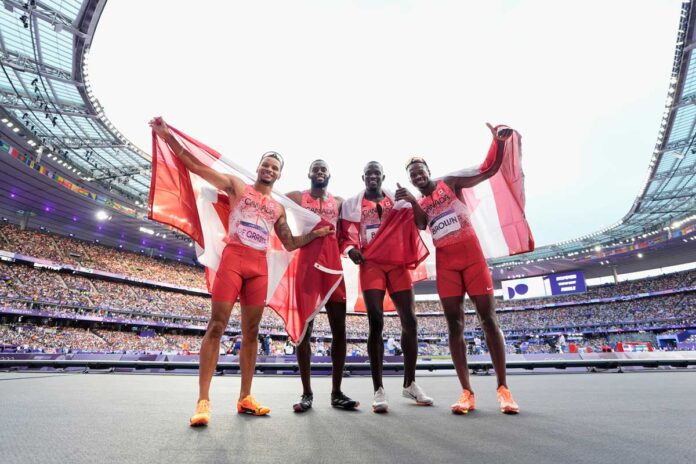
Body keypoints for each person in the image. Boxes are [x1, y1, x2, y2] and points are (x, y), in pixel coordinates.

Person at [149, 117, 333, 425]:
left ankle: (245, 396)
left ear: (279, 174)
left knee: (251, 333)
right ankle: (203, 401)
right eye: (266, 164)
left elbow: (288, 242)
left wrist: (313, 236)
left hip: (258, 267)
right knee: (217, 326)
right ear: (259, 166)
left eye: (275, 167)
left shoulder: (278, 208)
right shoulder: (237, 186)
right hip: (234, 259)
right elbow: (197, 167)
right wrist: (168, 137)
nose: (269, 170)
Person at [396, 123, 520, 415]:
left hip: (473, 258)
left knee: (488, 319)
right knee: (455, 326)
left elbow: (487, 171)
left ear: (427, 170)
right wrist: (413, 201)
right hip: (447, 265)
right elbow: (423, 224)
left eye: (420, 170)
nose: (417, 175)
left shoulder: (449, 183)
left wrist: (498, 143)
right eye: (412, 174)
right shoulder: (420, 202)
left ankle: (503, 389)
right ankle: (466, 392)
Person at [341, 161, 433, 413]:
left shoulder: (399, 202)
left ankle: (410, 383)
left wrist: (413, 200)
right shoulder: (353, 205)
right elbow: (346, 234)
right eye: (368, 172)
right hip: (371, 264)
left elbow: (421, 224)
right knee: (376, 321)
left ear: (383, 176)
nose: (372, 176)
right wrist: (351, 249)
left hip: (397, 264)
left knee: (410, 321)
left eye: (376, 172)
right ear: (363, 177)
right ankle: (378, 389)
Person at [285, 160, 359, 412]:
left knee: (340, 331)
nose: (319, 171)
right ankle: (306, 393)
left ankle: (337, 392)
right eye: (315, 168)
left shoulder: (339, 202)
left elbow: (364, 211)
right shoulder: (296, 196)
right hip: (306, 268)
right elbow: (266, 198)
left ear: (329, 174)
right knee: (304, 331)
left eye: (323, 168)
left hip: (332, 269)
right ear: (309, 173)